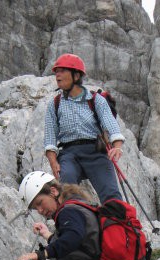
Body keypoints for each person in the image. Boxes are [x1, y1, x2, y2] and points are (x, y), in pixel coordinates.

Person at [44, 53, 125, 204]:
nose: (57, 75)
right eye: (56, 72)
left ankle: (118, 221)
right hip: (69, 154)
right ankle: (74, 218)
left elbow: (112, 125)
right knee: (67, 192)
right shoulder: (54, 104)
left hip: (95, 151)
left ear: (76, 76)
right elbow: (50, 138)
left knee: (111, 195)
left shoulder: (96, 100)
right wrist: (53, 162)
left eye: (62, 71)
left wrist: (117, 146)